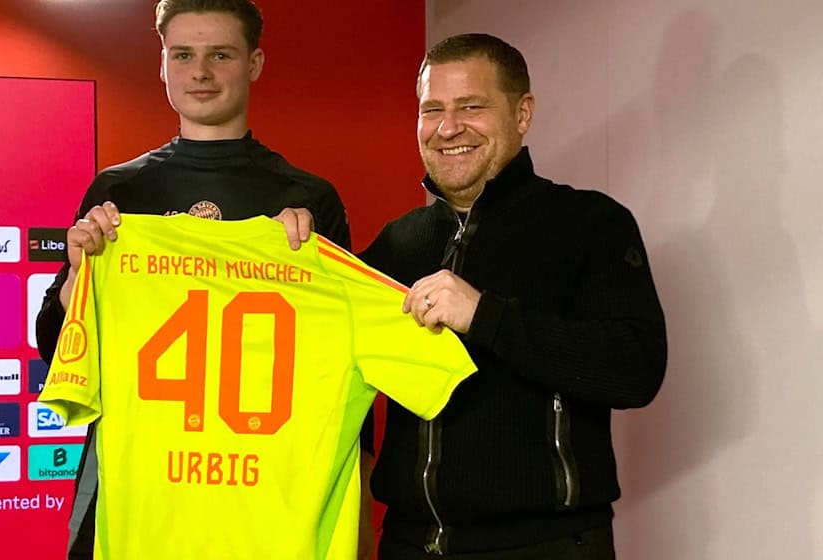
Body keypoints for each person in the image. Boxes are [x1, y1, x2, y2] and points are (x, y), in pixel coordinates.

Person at [35, 1, 349, 558]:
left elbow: (343, 357)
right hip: (135, 483)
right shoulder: (119, 192)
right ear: (163, 65)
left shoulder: (306, 200)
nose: (199, 72)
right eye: (183, 55)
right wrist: (78, 277)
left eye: (219, 55)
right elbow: (54, 347)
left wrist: (308, 267)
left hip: (260, 486)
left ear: (253, 63)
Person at [358, 33, 667, 559]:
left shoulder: (592, 224)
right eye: (431, 109)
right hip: (409, 544)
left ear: (522, 114)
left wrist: (487, 316)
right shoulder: (394, 244)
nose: (447, 128)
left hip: (546, 547)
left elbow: (636, 370)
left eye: (471, 107)